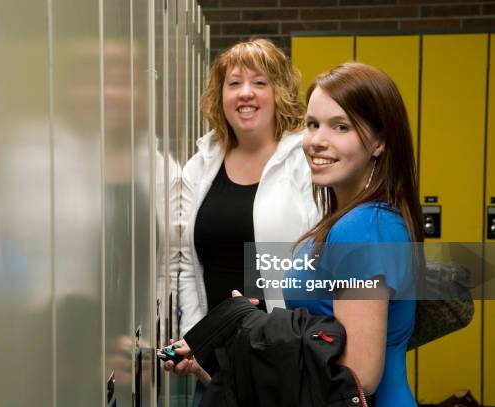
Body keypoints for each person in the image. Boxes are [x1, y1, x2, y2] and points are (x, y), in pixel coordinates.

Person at [166, 38, 319, 387]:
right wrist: (198, 343)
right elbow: (188, 267)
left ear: (278, 92)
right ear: (221, 96)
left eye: (259, 82)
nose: (245, 93)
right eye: (234, 83)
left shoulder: (305, 162)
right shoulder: (200, 166)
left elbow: (322, 257)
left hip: (285, 358)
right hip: (217, 366)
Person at [283, 62, 423, 406]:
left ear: (378, 143)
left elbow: (357, 377)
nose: (317, 141)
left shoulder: (363, 228)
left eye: (340, 126)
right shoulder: (360, 220)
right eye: (312, 124)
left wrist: (253, 345)